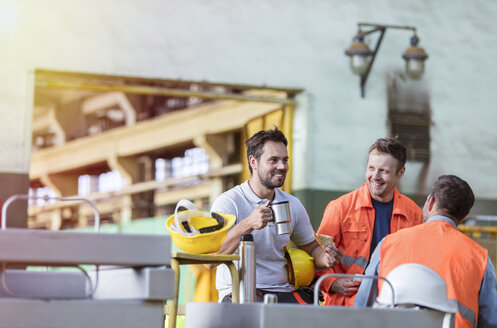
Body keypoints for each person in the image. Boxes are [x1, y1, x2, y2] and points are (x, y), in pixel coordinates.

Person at [210, 128, 342, 304]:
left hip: (284, 292)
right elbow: (210, 261)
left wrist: (326, 258)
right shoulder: (228, 202)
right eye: (273, 160)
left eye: (285, 160)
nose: (282, 166)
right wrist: (248, 223)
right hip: (240, 293)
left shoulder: (292, 204)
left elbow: (312, 248)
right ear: (253, 162)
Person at [355, 175, 497, 328]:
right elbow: (490, 321)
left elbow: (362, 307)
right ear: (463, 218)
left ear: (431, 202)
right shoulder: (480, 258)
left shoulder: (388, 244)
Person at [316, 137, 423, 306]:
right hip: (344, 307)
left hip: (392, 304)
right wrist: (333, 283)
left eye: (384, 171)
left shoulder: (414, 214)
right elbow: (316, 256)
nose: (375, 176)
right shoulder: (340, 208)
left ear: (400, 172)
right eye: (371, 168)